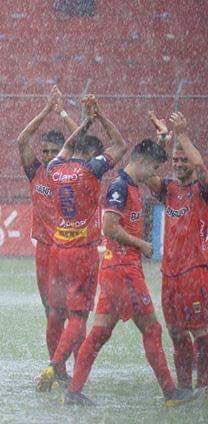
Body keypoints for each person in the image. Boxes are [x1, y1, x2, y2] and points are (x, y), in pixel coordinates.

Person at [63, 139, 198, 406]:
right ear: (144, 162)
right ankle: (171, 393)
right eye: (154, 167)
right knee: (152, 329)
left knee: (99, 334)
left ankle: (73, 392)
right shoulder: (120, 186)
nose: (154, 175)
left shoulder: (130, 186)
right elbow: (109, 227)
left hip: (115, 270)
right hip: (124, 271)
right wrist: (141, 244)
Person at [36, 95, 128, 390]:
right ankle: (55, 366)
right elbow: (120, 146)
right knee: (78, 315)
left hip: (58, 250)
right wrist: (98, 116)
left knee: (55, 312)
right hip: (82, 252)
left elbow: (66, 147)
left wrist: (84, 123)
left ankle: (57, 362)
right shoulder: (91, 170)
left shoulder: (53, 167)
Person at [146, 111, 208, 392]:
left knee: (202, 334)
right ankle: (184, 387)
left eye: (184, 160)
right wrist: (162, 141)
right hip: (169, 275)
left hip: (195, 272)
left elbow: (201, 166)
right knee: (175, 332)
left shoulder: (201, 189)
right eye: (176, 160)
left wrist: (181, 134)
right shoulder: (168, 189)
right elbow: (146, 171)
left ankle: (203, 385)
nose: (180, 164)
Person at [17, 86, 77, 360]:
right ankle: (57, 365)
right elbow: (22, 140)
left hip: (69, 249)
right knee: (50, 311)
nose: (49, 155)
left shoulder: (75, 173)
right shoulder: (36, 172)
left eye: (55, 151)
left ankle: (76, 362)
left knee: (74, 311)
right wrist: (46, 110)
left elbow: (81, 137)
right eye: (45, 150)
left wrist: (63, 112)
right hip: (43, 250)